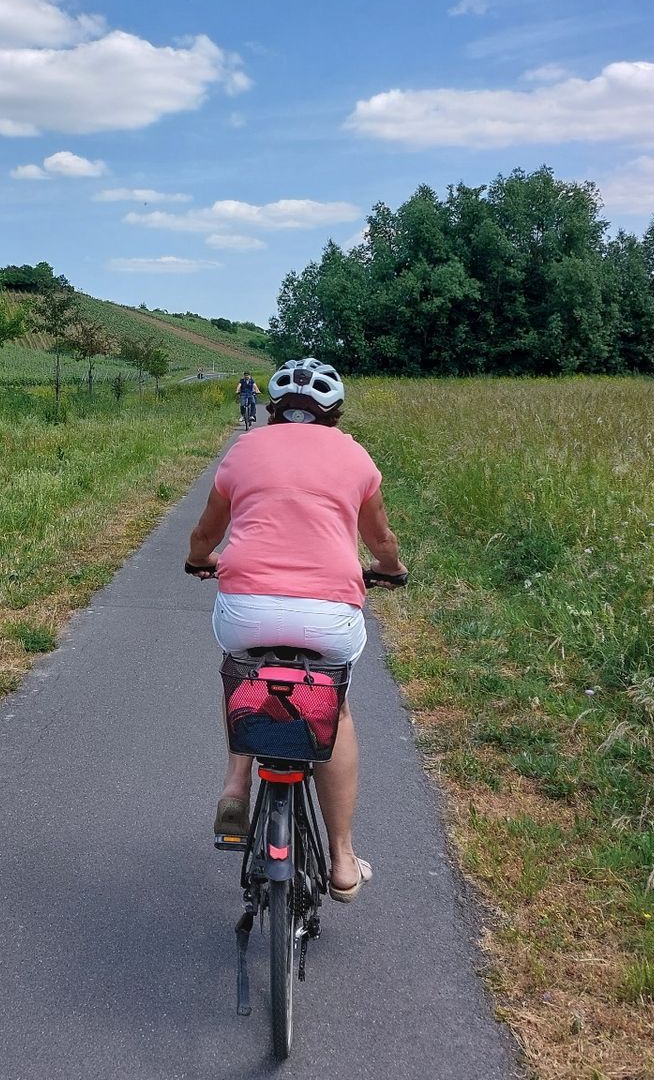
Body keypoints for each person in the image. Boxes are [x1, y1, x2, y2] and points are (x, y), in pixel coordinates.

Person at [184, 357, 406, 901]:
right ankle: (344, 859)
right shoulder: (355, 455)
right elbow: (381, 542)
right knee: (338, 707)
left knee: (242, 678)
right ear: (334, 412)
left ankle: (236, 787)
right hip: (328, 614)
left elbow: (205, 532)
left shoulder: (244, 450)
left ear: (272, 409)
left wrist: (198, 561)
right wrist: (391, 572)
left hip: (247, 609)